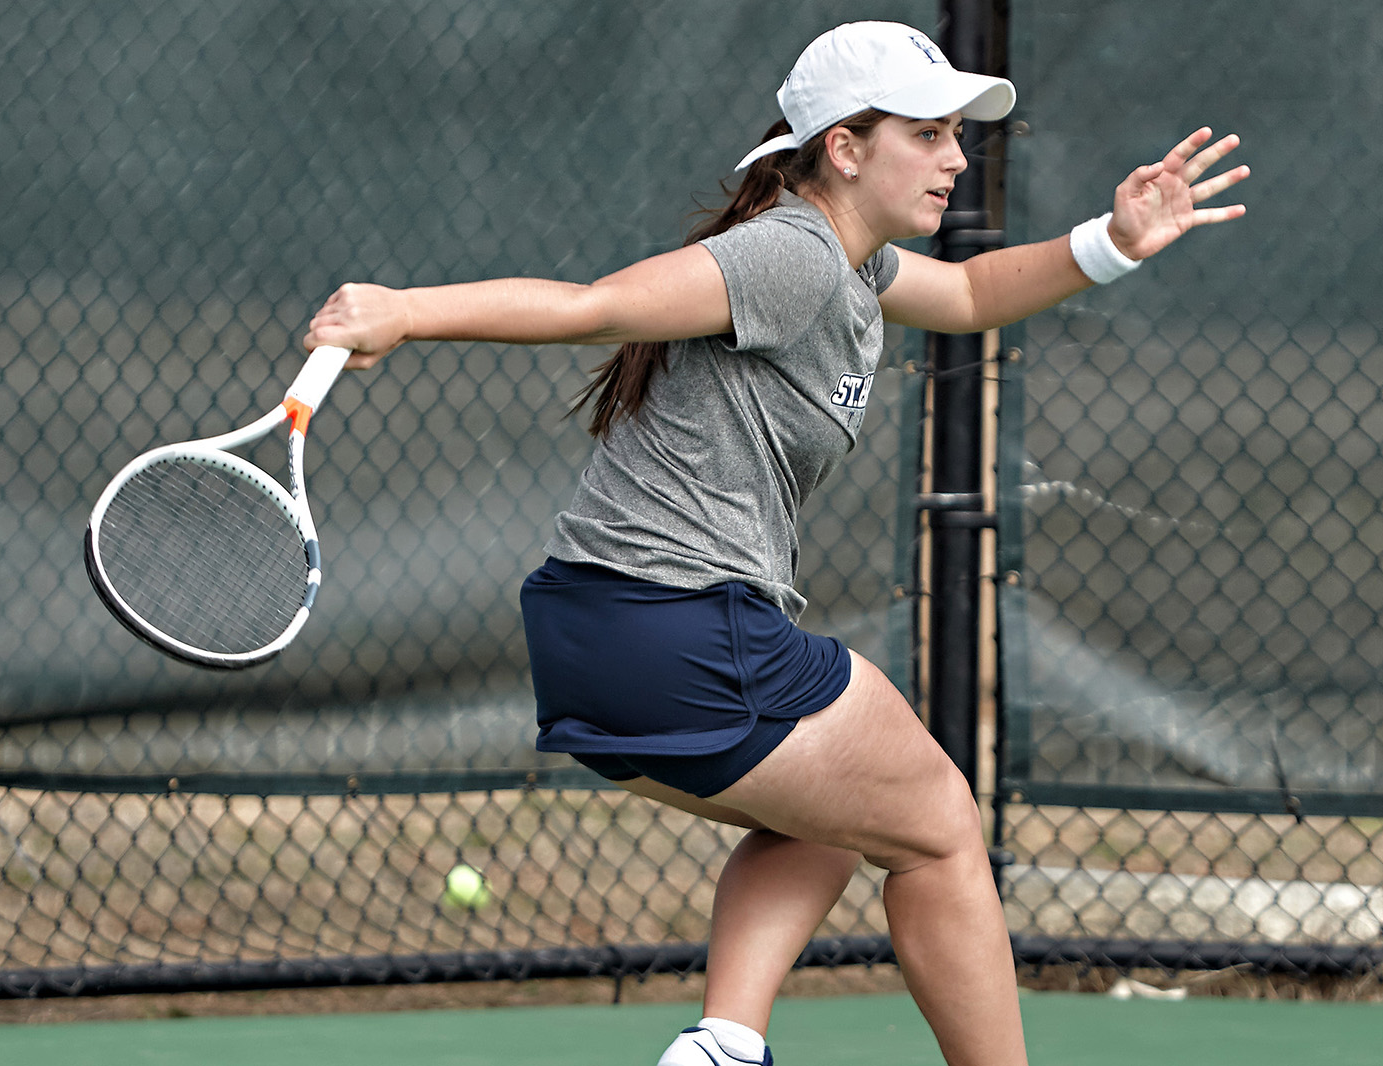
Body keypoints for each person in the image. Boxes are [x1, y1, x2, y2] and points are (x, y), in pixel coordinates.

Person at [304, 20, 1248, 1066]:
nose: (955, 158)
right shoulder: (790, 254)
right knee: (940, 822)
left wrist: (1114, 239)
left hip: (597, 635)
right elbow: (597, 306)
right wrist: (404, 311)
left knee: (840, 814)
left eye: (955, 135)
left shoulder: (853, 264)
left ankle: (723, 1046)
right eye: (927, 134)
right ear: (844, 148)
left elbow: (971, 294)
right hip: (679, 623)